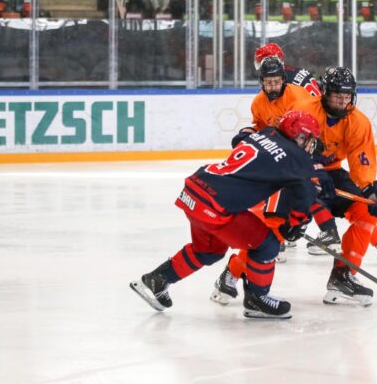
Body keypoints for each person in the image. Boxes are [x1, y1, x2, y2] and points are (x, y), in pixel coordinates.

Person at [131, 110, 322, 319]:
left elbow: (240, 140)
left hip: (196, 189)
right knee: (267, 245)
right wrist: (295, 223)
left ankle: (156, 280)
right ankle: (257, 299)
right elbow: (305, 196)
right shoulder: (298, 158)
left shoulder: (267, 132)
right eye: (309, 139)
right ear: (299, 136)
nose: (310, 145)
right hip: (216, 205)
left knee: (208, 251)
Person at [293, 67, 377, 306]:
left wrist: (370, 189)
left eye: (347, 96)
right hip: (296, 174)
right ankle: (234, 273)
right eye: (337, 95)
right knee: (274, 229)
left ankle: (343, 274)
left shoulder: (358, 122)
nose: (342, 101)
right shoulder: (304, 111)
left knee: (366, 211)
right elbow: (289, 152)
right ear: (325, 93)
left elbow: (361, 161)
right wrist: (312, 170)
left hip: (332, 173)